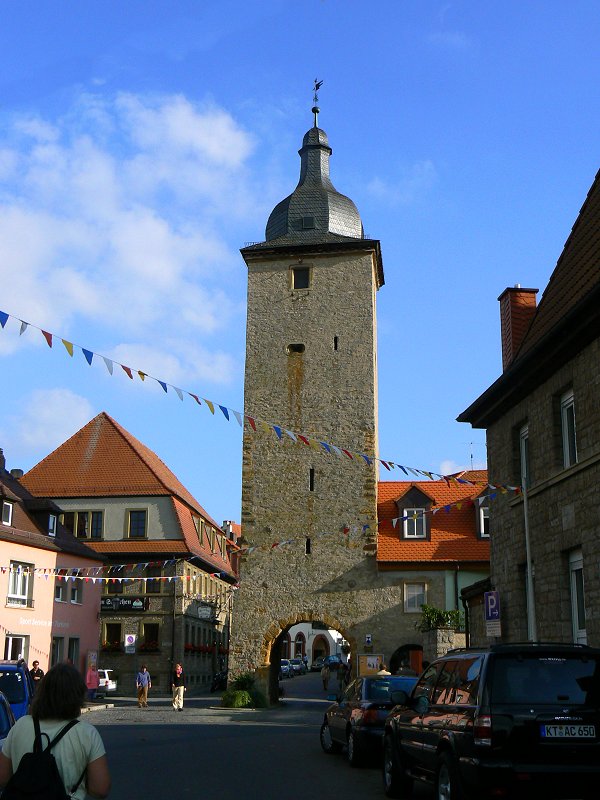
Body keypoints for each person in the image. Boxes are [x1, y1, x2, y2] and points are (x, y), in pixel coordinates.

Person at [0, 662, 111, 800]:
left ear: (42, 692)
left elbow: (3, 778)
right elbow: (100, 789)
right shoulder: (86, 733)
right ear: (77, 696)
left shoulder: (20, 726)